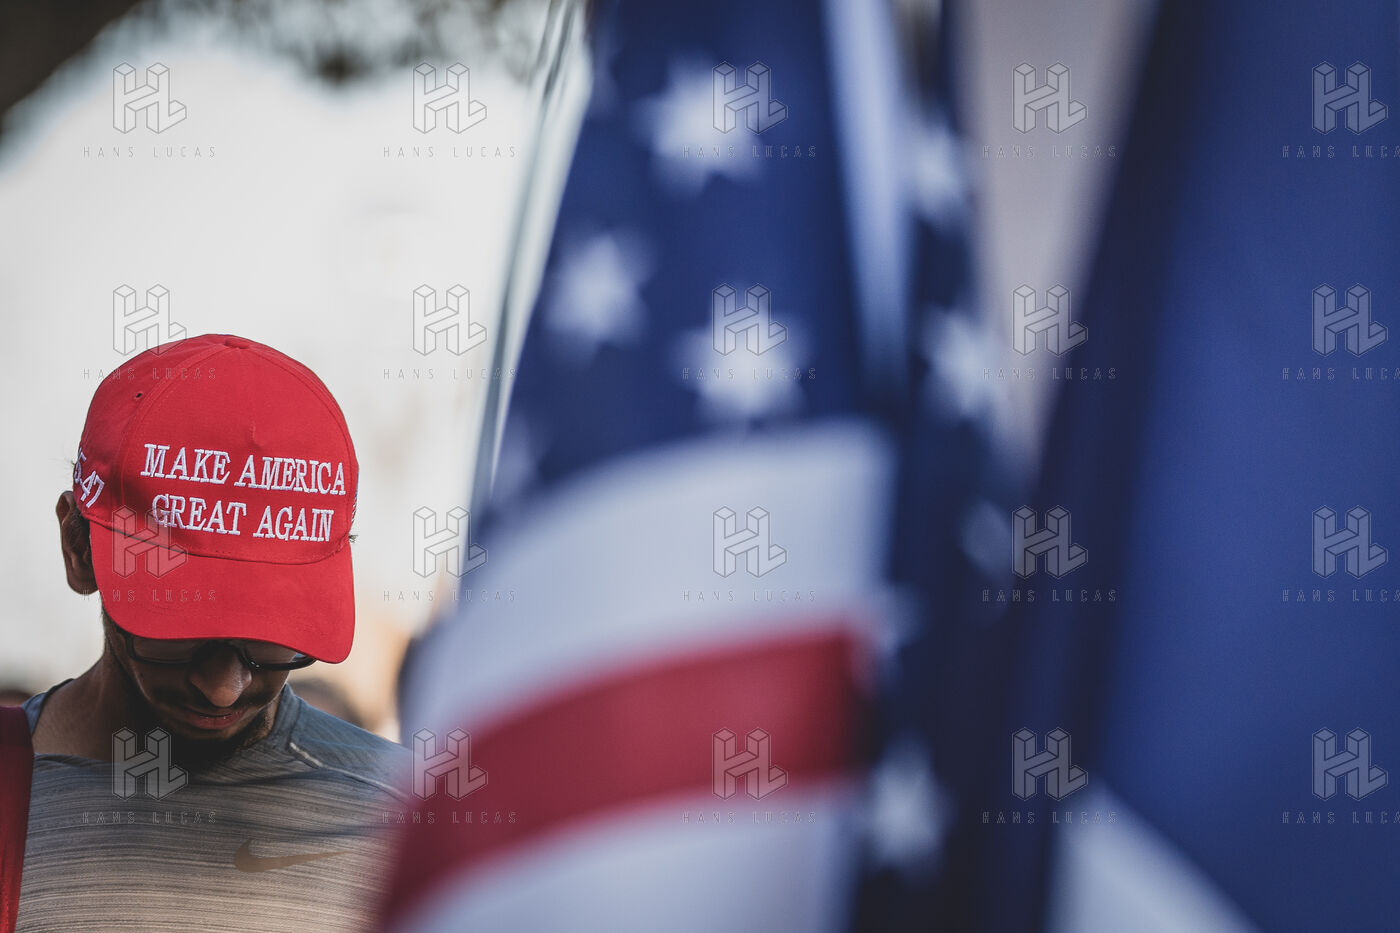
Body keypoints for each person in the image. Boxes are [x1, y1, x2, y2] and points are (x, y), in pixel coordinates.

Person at [12, 334, 408, 933]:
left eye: (269, 638)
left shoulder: (409, 825)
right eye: (181, 629)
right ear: (78, 549)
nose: (224, 688)